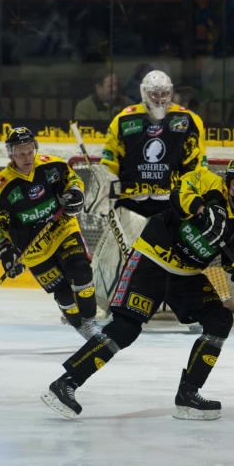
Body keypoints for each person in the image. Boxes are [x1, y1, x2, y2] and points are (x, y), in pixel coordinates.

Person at [40, 159, 234, 421]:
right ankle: (65, 383)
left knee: (219, 320)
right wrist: (202, 208)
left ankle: (188, 394)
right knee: (125, 329)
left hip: (185, 276)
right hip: (151, 260)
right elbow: (180, 192)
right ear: (233, 184)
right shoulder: (208, 181)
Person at [88, 69, 207, 315]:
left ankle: (191, 311)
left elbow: (197, 166)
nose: (160, 98)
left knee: (180, 259)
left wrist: (195, 198)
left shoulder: (188, 120)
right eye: (155, 93)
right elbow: (109, 160)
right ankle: (100, 306)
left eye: (164, 93)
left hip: (171, 205)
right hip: (131, 202)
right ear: (144, 93)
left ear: (171, 92)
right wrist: (106, 186)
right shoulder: (124, 119)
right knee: (110, 255)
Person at [0, 127, 101, 341]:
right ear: (11, 155)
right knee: (63, 292)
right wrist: (4, 248)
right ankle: (79, 325)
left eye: (30, 151)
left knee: (80, 270)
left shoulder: (51, 165)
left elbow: (72, 180)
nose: (27, 157)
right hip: (32, 248)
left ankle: (91, 323)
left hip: (62, 229)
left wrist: (75, 193)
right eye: (21, 153)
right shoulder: (1, 187)